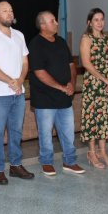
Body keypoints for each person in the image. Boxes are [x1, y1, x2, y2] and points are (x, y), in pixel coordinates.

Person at [0, 1, 34, 185]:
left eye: (11, 10)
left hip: (18, 92)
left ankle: (15, 165)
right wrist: (11, 81)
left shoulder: (19, 35)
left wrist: (20, 80)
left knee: (16, 131)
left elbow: (25, 62)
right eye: (5, 11)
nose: (10, 13)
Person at [29, 11, 85, 175]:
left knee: (68, 132)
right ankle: (46, 161)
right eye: (52, 21)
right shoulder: (36, 44)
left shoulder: (61, 42)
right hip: (44, 98)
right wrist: (61, 87)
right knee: (45, 133)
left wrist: (71, 84)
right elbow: (39, 72)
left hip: (64, 97)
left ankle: (70, 161)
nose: (57, 23)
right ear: (42, 25)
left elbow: (71, 65)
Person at [79, 8, 108, 169]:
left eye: (102, 19)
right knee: (93, 117)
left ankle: (103, 151)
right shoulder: (86, 38)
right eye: (96, 19)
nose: (100, 22)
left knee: (105, 118)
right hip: (94, 84)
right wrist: (105, 80)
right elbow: (86, 63)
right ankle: (91, 152)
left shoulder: (107, 38)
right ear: (89, 22)